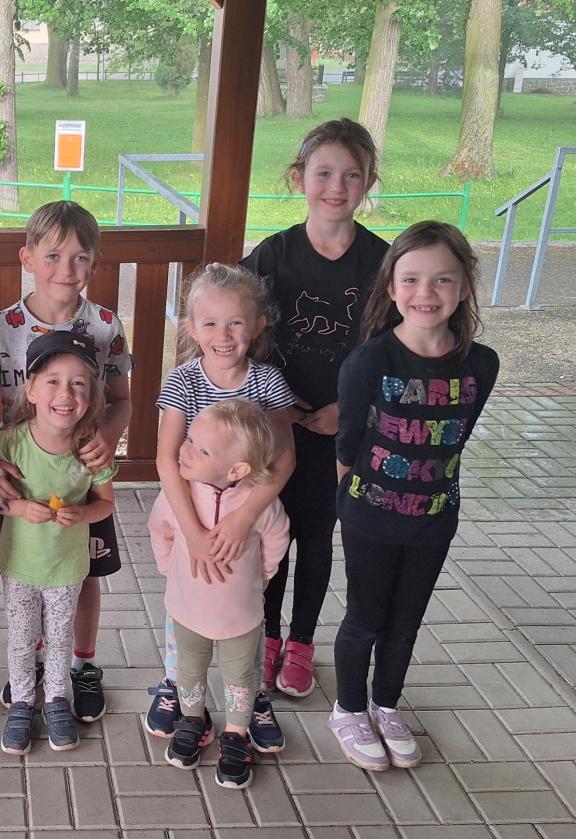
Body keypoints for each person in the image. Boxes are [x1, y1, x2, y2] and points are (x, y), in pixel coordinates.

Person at [329, 221, 497, 772]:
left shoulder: (482, 364)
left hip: (434, 519)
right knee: (365, 619)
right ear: (391, 287)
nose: (426, 292)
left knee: (406, 622)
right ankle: (348, 709)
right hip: (370, 519)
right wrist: (353, 505)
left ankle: (385, 704)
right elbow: (348, 443)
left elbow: (456, 437)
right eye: (411, 279)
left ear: (464, 286)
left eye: (442, 279)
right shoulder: (369, 362)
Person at [237, 118, 389, 699]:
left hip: (342, 430)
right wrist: (273, 406)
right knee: (271, 529)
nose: (336, 187)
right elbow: (234, 330)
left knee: (318, 538)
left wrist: (349, 412)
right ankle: (269, 636)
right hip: (275, 425)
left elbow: (398, 353)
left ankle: (302, 641)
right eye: (324, 173)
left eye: (352, 175)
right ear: (299, 177)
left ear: (368, 181)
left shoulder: (382, 263)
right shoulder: (273, 256)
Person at [0, 200, 133, 723]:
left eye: (81, 257)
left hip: (82, 475)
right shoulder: (2, 329)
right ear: (28, 258)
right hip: (24, 476)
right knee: (27, 571)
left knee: (83, 574)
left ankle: (81, 665)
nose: (67, 268)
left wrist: (108, 435)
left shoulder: (105, 326)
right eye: (54, 255)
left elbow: (122, 399)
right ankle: (33, 666)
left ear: (95, 263)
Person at [142, 265, 298, 755]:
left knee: (247, 615)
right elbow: (167, 459)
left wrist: (244, 517)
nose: (223, 335)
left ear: (257, 325)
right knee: (185, 610)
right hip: (192, 511)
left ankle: (250, 698)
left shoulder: (267, 382)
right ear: (191, 328)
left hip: (247, 517)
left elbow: (284, 459)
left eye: (235, 323)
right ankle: (177, 684)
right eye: (210, 323)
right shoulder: (184, 382)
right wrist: (190, 533)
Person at [150, 399, 290, 789]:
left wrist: (259, 579)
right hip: (187, 608)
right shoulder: (178, 494)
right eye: (189, 439)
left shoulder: (258, 503)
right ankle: (193, 720)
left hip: (239, 615)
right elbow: (160, 529)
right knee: (189, 670)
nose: (185, 449)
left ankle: (236, 734)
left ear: (237, 470)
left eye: (202, 449)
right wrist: (171, 570)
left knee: (240, 677)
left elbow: (278, 538)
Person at [0, 331, 117, 755]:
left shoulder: (90, 450)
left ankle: (57, 700)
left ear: (91, 396)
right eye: (53, 381)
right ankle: (22, 702)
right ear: (30, 390)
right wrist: (18, 508)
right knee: (22, 637)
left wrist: (82, 514)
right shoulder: (9, 442)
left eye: (78, 384)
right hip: (19, 564)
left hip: (67, 567)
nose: (66, 393)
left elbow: (105, 504)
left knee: (61, 637)